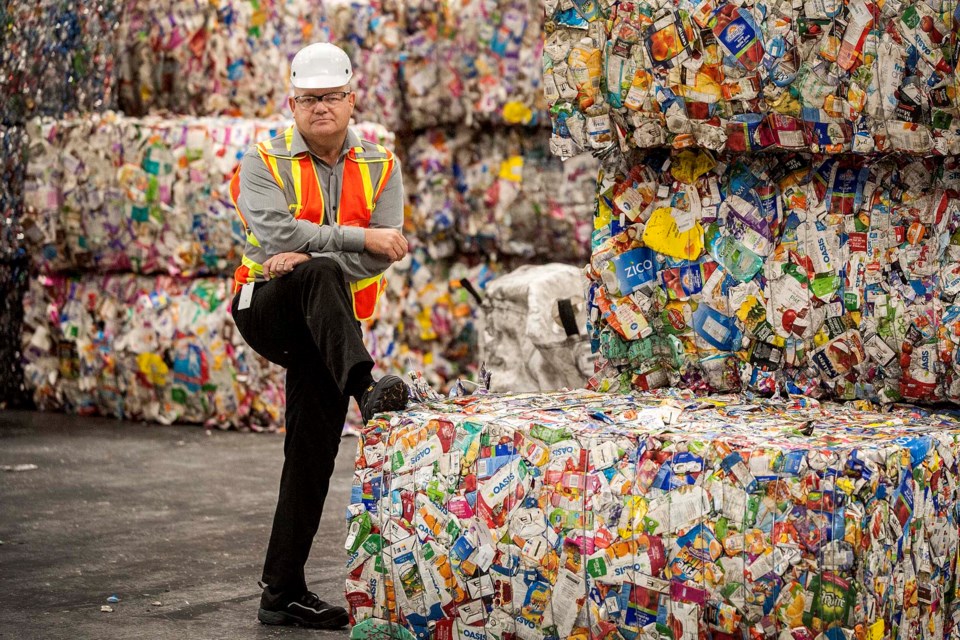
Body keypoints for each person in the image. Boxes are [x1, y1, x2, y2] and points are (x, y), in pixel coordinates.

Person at [228, 42, 410, 629]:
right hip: (267, 307)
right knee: (321, 271)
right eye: (310, 99)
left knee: (311, 454)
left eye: (332, 97)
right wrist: (353, 243)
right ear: (292, 103)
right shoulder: (263, 160)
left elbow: (389, 251)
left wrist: (310, 257)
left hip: (328, 328)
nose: (321, 108)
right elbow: (275, 231)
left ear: (352, 99)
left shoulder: (382, 165)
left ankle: (281, 592)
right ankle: (366, 389)